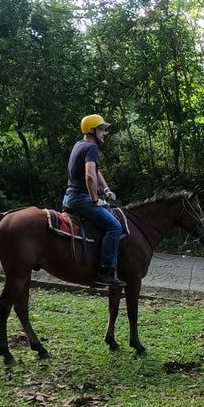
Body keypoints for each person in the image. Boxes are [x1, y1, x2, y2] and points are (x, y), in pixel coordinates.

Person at [63, 114, 126, 287]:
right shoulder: (91, 148)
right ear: (92, 130)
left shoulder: (79, 145)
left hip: (70, 196)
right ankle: (105, 271)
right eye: (101, 130)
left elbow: (95, 172)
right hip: (81, 199)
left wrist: (106, 189)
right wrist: (95, 200)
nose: (104, 133)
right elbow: (89, 176)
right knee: (114, 226)